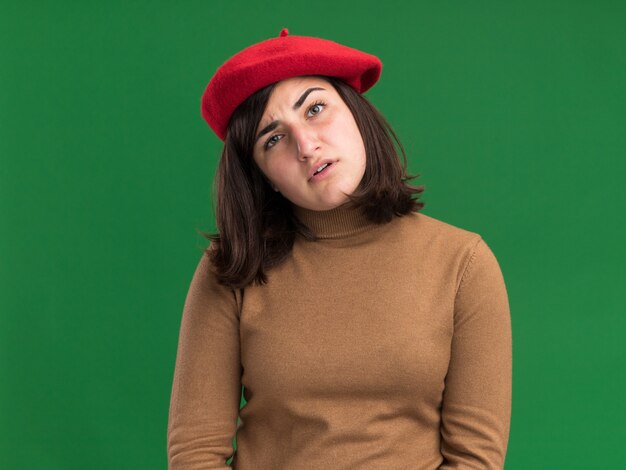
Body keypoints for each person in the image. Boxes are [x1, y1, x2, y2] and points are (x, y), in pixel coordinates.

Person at [167, 28, 512, 470]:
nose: (307, 146)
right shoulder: (232, 270)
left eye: (315, 109)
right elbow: (195, 455)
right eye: (272, 139)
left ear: (356, 113)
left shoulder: (463, 263)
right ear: (263, 176)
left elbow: (475, 460)